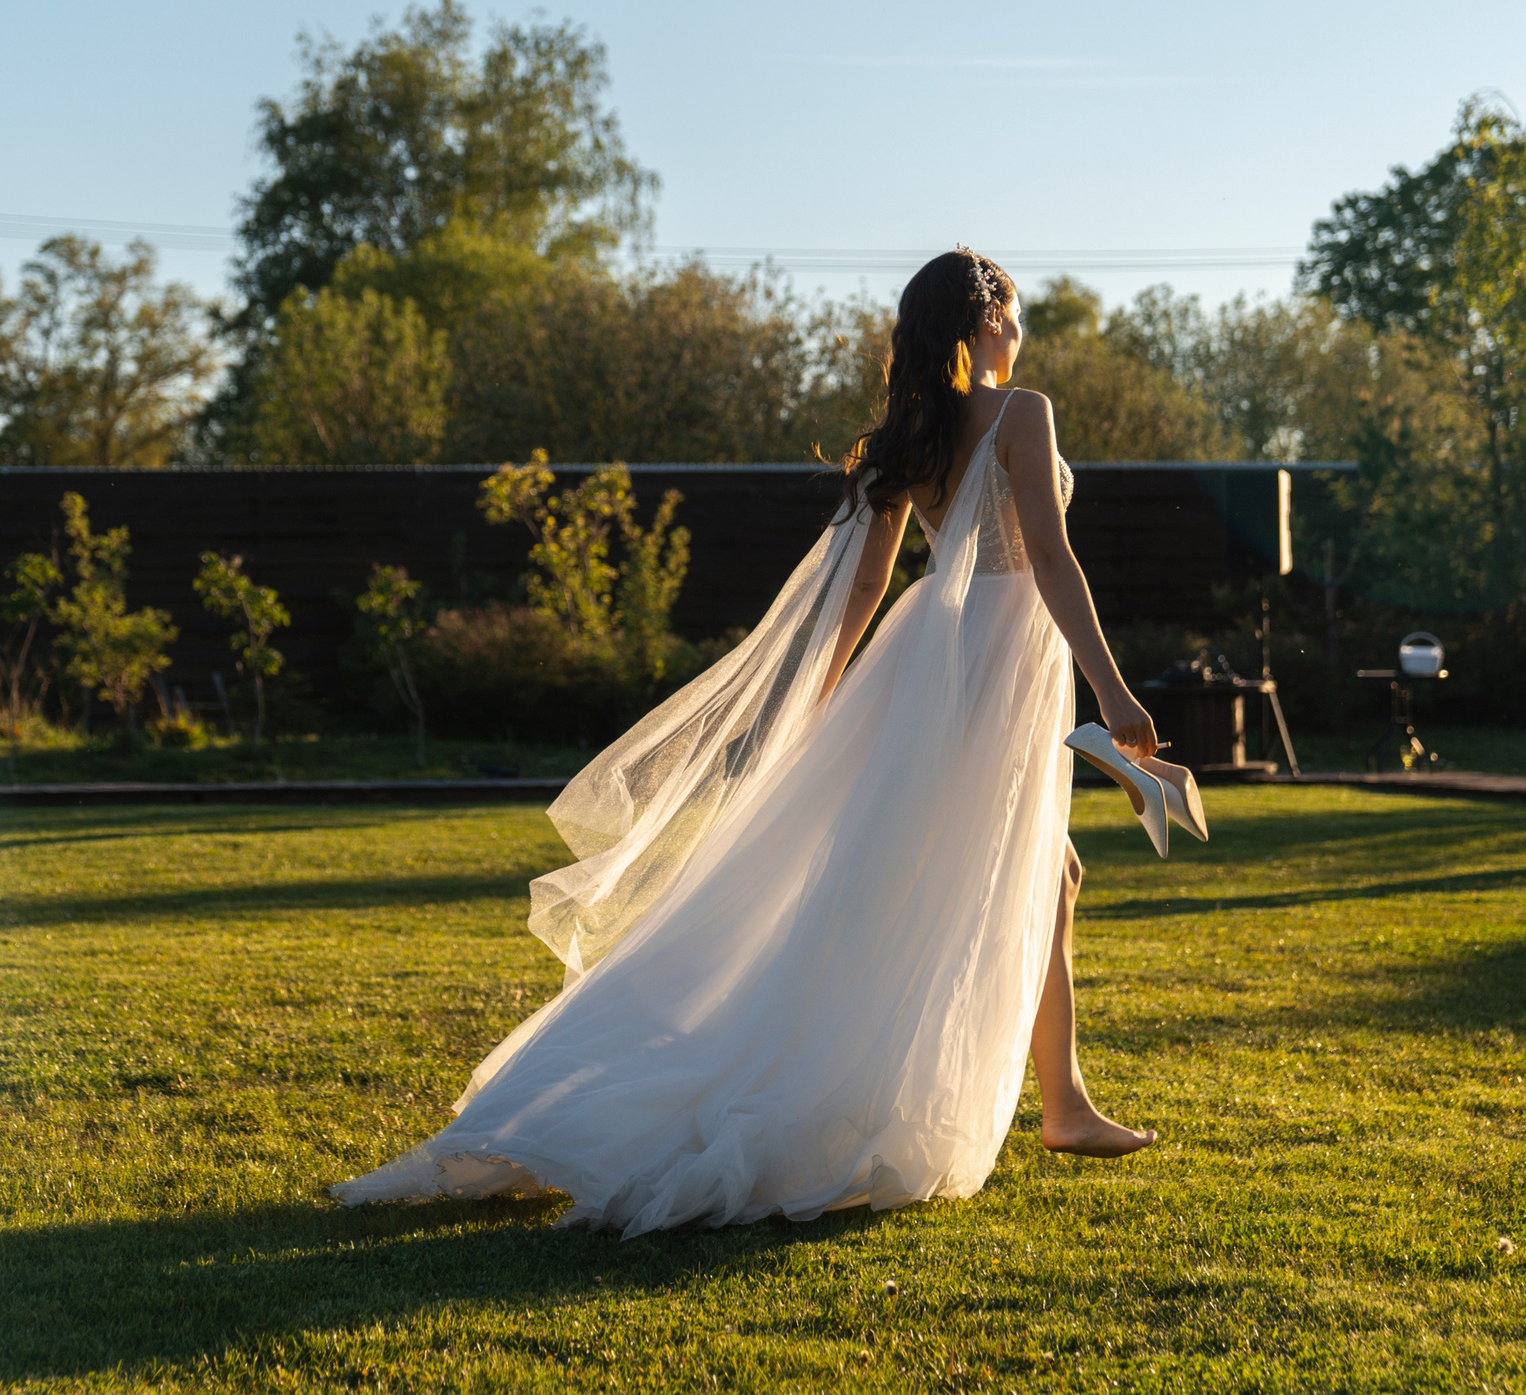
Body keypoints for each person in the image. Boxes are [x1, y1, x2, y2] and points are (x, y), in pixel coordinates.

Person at [334, 247, 1201, 1237]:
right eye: (1013, 312)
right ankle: (1053, 1106)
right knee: (1016, 871)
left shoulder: (907, 434)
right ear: (990, 318)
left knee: (1046, 871)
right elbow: (1049, 555)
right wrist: (1114, 689)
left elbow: (869, 589)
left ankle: (1064, 1104)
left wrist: (822, 702)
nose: (1019, 329)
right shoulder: (1020, 412)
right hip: (1000, 656)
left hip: (938, 656)